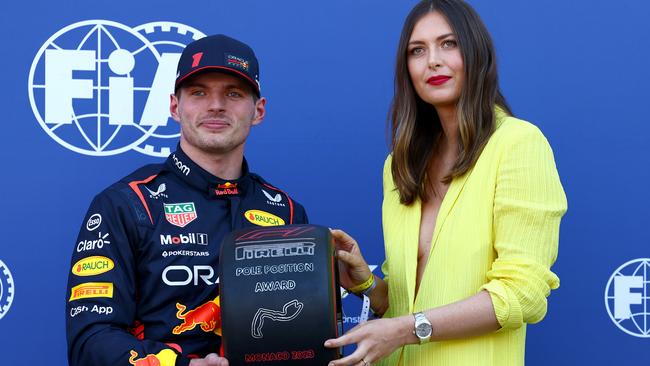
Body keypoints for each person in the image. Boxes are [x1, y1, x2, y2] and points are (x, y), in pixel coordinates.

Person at [324, 1, 567, 365]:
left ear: (476, 53)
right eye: (417, 50)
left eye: (448, 43)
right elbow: (408, 304)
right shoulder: (399, 166)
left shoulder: (518, 144)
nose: (432, 60)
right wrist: (366, 284)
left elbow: (522, 294)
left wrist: (404, 329)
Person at [65, 34, 308, 366]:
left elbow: (297, 333)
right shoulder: (127, 203)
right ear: (175, 107)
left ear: (258, 111)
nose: (216, 105)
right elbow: (91, 341)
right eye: (199, 92)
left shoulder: (286, 211)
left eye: (233, 93)